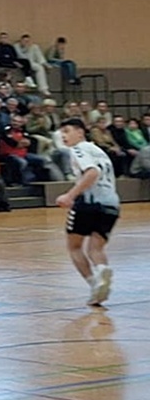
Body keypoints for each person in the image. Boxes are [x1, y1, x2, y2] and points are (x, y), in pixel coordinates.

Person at [55, 118, 120, 307]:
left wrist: (70, 195)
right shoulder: (99, 150)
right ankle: (101, 271)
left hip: (89, 203)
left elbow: (92, 173)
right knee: (96, 248)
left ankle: (94, 283)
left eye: (67, 131)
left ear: (80, 132)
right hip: (112, 203)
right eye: (61, 133)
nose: (63, 136)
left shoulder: (79, 149)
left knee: (74, 246)